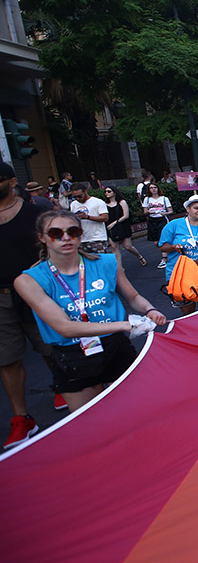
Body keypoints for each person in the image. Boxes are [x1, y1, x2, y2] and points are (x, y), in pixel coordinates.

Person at [14, 210, 165, 412]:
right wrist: (127, 324)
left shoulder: (107, 262)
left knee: (134, 412)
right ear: (42, 237)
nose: (66, 237)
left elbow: (133, 297)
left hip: (115, 347)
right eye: (55, 233)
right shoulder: (28, 280)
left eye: (72, 231)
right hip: (74, 354)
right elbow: (64, 327)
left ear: (81, 234)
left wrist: (149, 309)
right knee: (92, 423)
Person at [0, 163, 58, 449]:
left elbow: (56, 249)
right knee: (7, 358)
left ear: (11, 182)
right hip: (1, 298)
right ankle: (21, 418)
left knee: (48, 346)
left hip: (36, 292)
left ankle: (63, 385)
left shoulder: (36, 214)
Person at [159, 195, 198, 315]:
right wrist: (174, 247)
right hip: (179, 274)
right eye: (196, 208)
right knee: (187, 311)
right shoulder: (174, 225)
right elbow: (162, 247)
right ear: (188, 209)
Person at [103, 187, 146, 266]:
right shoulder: (104, 204)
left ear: (114, 192)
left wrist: (115, 223)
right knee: (114, 248)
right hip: (110, 228)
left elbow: (126, 215)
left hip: (122, 226)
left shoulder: (122, 202)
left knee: (127, 246)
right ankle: (119, 268)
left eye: (109, 191)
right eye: (105, 192)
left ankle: (139, 256)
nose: (107, 193)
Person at [69, 182, 111, 254]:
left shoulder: (98, 202)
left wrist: (87, 217)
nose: (77, 199)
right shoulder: (73, 204)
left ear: (85, 192)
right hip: (82, 239)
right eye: (75, 197)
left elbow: (105, 217)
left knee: (100, 261)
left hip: (98, 238)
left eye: (79, 196)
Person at [142, 183, 172, 268]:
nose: (153, 189)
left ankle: (164, 258)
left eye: (155, 187)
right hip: (152, 220)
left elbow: (170, 210)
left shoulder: (164, 199)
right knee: (155, 241)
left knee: (162, 238)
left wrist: (165, 213)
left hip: (161, 219)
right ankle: (167, 251)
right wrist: (148, 212)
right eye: (151, 188)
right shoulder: (147, 199)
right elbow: (145, 212)